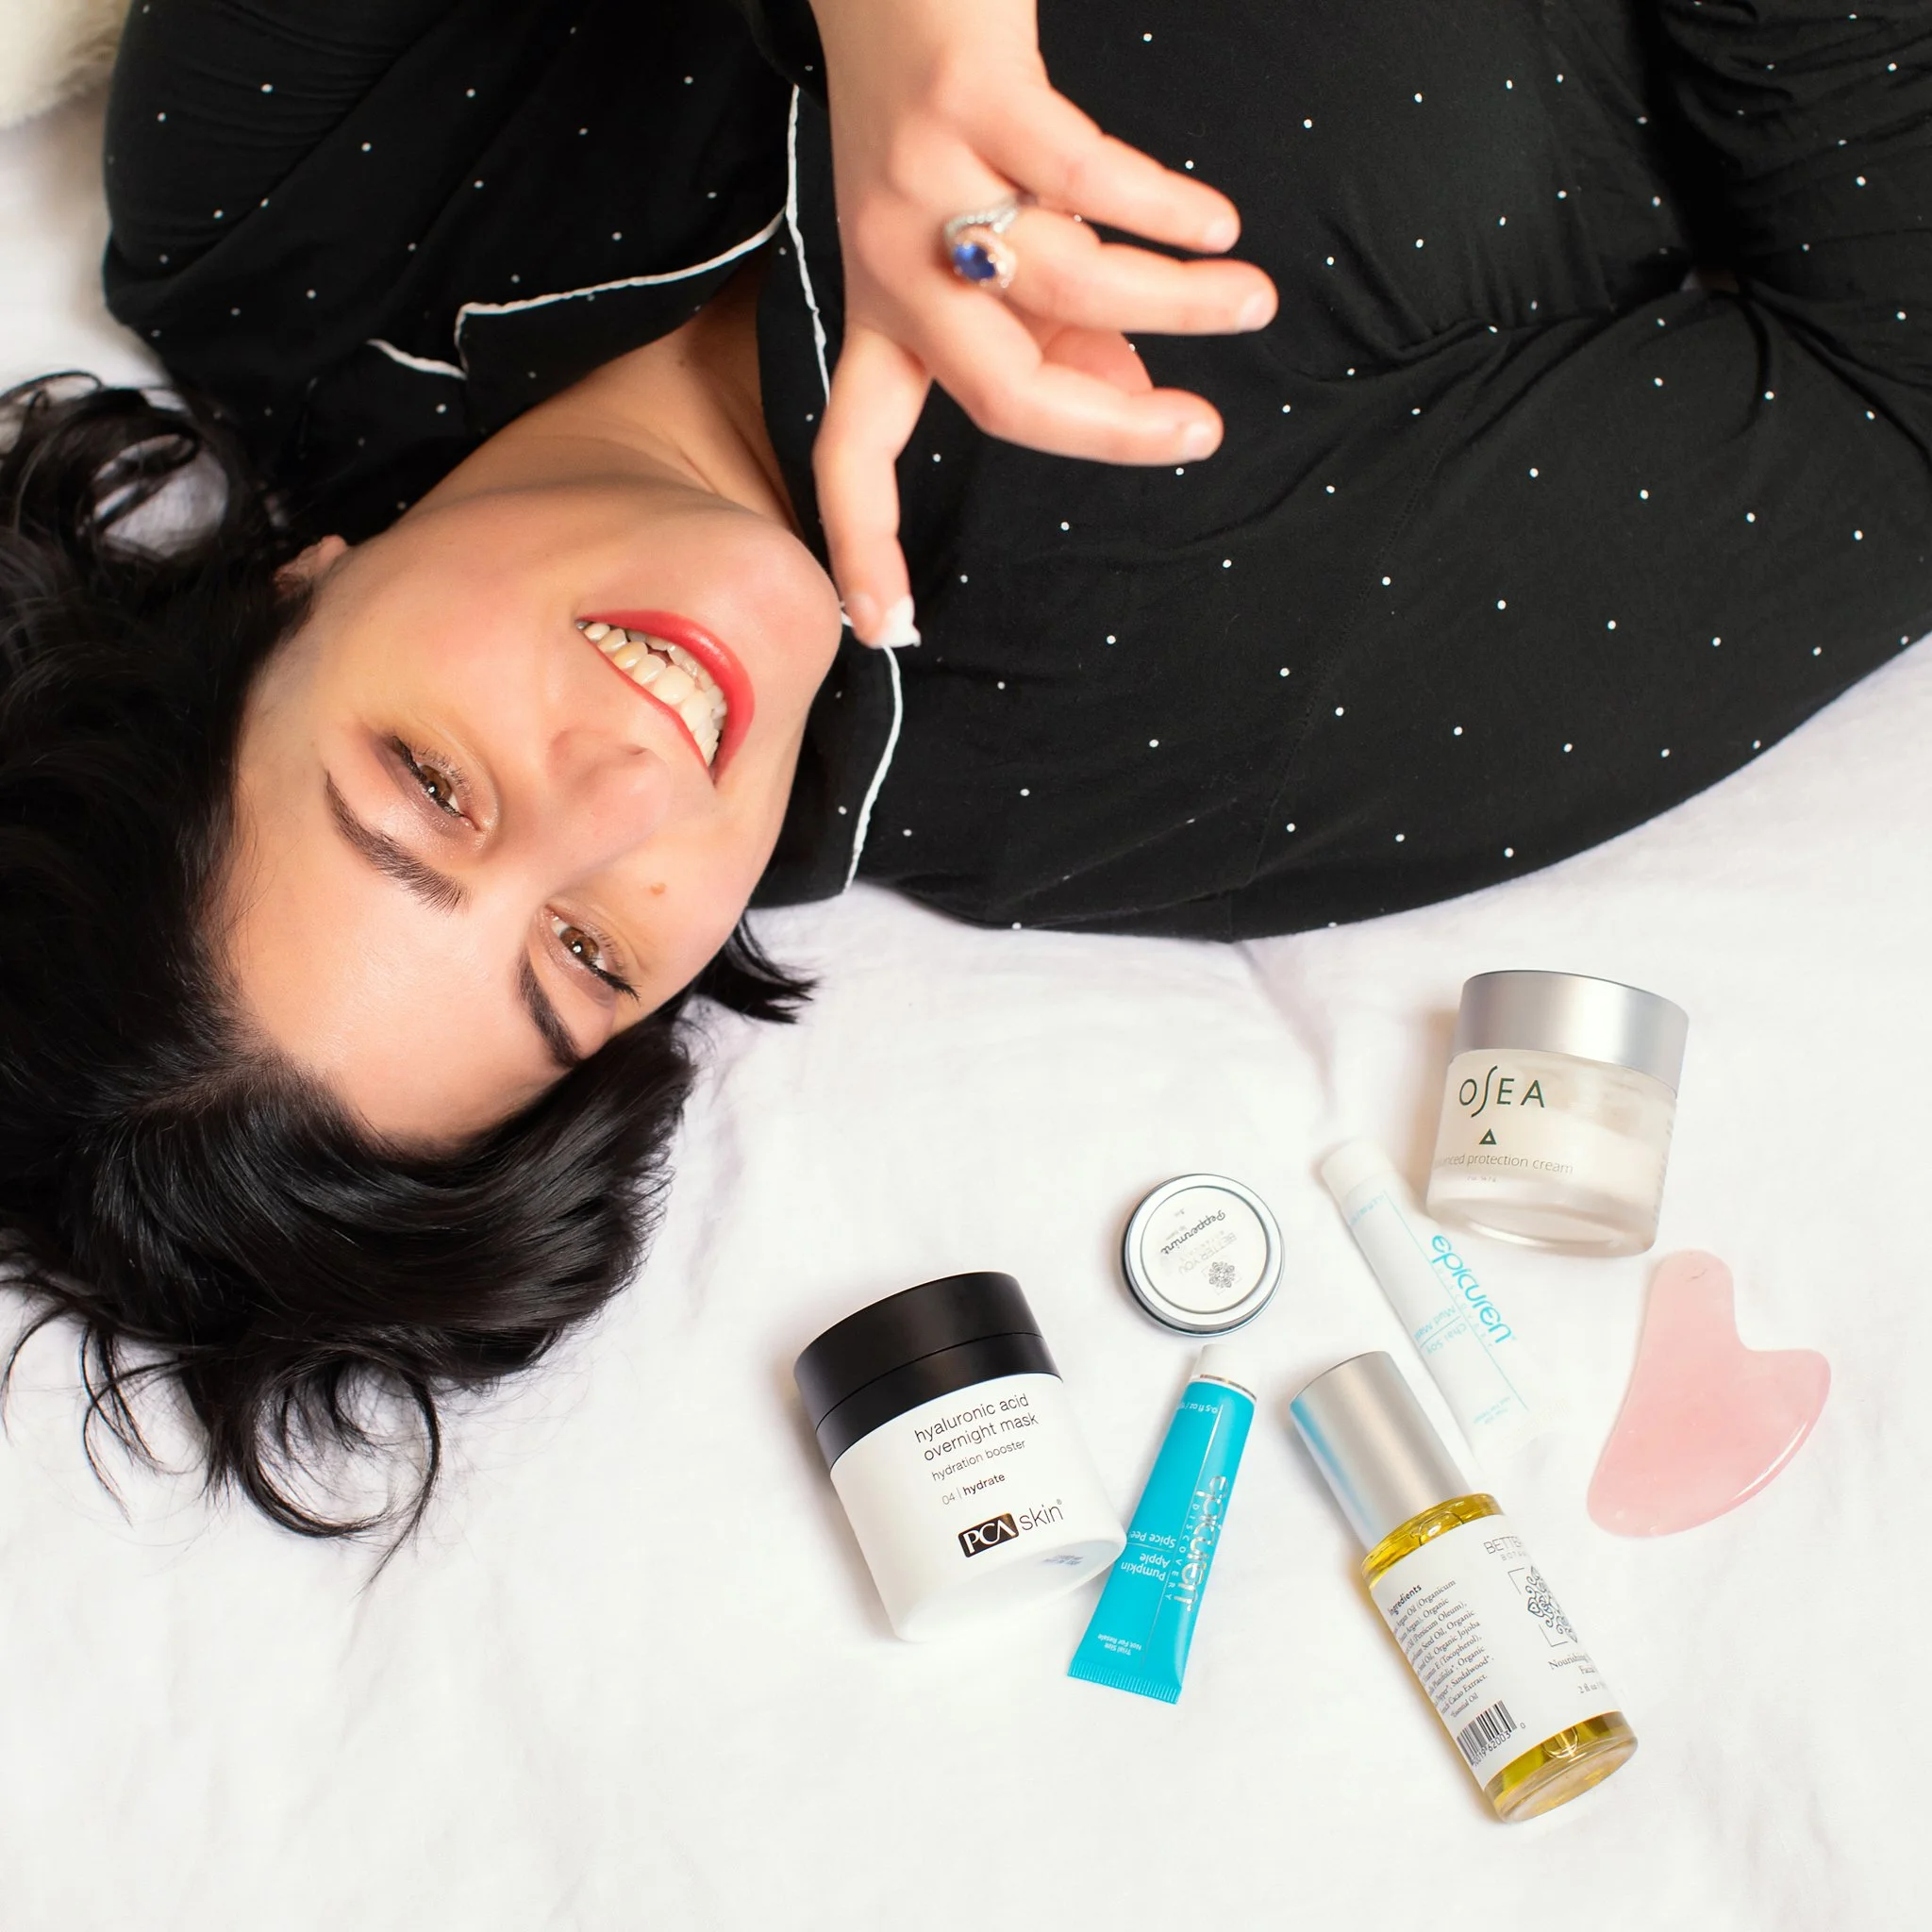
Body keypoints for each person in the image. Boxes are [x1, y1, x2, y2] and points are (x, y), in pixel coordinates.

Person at [2, 0, 1926, 1536]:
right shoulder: (1145, 735)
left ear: (286, 594)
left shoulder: (280, 223)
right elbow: (1896, 386)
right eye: (584, 959)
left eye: (430, 787)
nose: (627, 795)